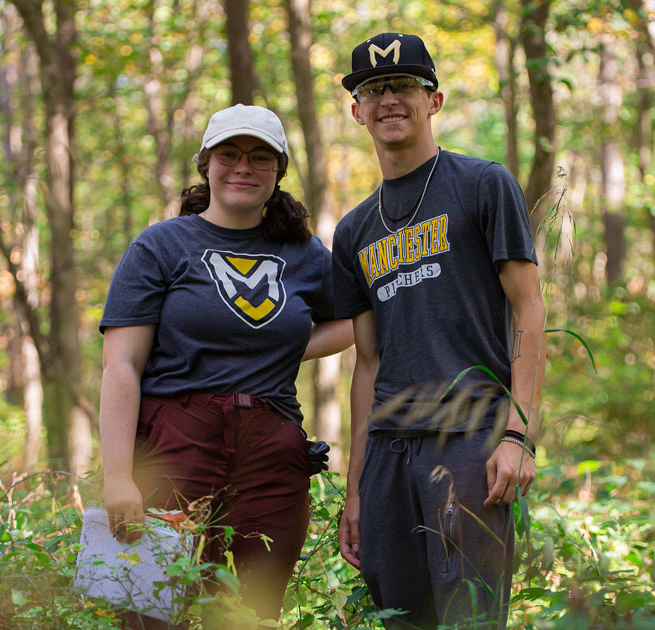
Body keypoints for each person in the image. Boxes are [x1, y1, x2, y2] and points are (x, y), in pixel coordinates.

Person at [98, 103, 352, 628]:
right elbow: (122, 364)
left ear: (279, 171)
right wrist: (119, 474)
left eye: (261, 157)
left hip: (271, 451)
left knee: (248, 611)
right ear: (206, 164)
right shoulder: (161, 246)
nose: (243, 167)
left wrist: (277, 349)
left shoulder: (305, 254)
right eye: (229, 154)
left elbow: (355, 321)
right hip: (174, 441)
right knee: (150, 608)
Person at [332, 33, 546, 629]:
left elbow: (529, 310)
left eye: (404, 85)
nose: (388, 99)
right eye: (372, 89)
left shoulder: (482, 185)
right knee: (399, 619)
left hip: (469, 440)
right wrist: (356, 490)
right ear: (356, 111)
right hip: (388, 458)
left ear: (435, 100)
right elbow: (366, 364)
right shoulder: (353, 231)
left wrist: (518, 436)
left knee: (470, 619)